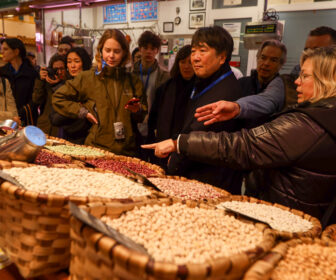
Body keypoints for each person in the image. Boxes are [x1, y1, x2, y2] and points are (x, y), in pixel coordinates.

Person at [143, 47, 336, 226]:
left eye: (305, 76)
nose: (297, 81)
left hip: (286, 217)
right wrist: (238, 108)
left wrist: (180, 143)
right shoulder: (324, 116)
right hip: (298, 212)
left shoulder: (307, 125)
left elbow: (243, 146)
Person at [166, 26, 244, 194]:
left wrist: (173, 166)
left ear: (222, 57)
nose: (195, 58)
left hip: (211, 182)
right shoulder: (205, 81)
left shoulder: (225, 92)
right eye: (193, 51)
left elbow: (199, 133)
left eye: (203, 51)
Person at [52, 29, 146, 156]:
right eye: (108, 50)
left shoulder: (133, 80)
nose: (111, 56)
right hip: (96, 150)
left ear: (124, 53)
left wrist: (137, 110)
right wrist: (81, 112)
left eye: (117, 51)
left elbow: (142, 114)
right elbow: (58, 97)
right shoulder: (88, 78)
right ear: (101, 50)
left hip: (127, 151)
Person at [195, 40, 287, 127]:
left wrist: (237, 107)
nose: (266, 63)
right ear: (257, 58)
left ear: (281, 64)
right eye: (263, 57)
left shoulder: (281, 89)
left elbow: (267, 101)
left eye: (273, 60)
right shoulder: (241, 83)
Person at [147, 45, 195, 168]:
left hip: (188, 149)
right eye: (183, 62)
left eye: (190, 62)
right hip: (163, 146)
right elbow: (153, 119)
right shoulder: (166, 88)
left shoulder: (201, 89)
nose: (186, 66)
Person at [50, 47, 92, 144]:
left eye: (76, 61)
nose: (72, 66)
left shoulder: (91, 86)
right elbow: (54, 119)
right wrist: (78, 109)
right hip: (66, 137)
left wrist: (68, 109)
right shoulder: (63, 87)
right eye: (69, 62)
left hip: (87, 139)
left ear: (84, 63)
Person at [133, 31, 169, 139]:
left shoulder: (164, 75)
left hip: (154, 125)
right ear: (140, 49)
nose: (149, 52)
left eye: (153, 49)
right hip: (133, 124)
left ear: (157, 51)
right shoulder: (129, 73)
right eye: (145, 48)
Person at [0, 38, 38, 126]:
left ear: (16, 52)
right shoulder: (1, 73)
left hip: (28, 119)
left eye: (5, 49)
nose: (2, 52)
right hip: (7, 119)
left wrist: (22, 112)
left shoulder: (32, 73)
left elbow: (35, 98)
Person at [32, 54, 67, 137]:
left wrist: (59, 84)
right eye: (56, 69)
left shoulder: (71, 84)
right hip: (45, 126)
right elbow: (36, 100)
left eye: (62, 69)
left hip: (62, 129)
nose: (59, 72)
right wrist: (40, 80)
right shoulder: (46, 83)